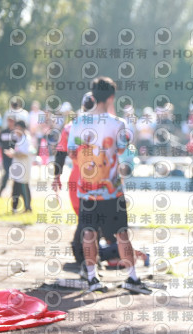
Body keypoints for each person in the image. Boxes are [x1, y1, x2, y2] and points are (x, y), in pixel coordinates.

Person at [67, 76, 150, 293]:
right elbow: (122, 151)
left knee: (88, 233)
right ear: (111, 97)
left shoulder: (77, 123)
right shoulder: (117, 123)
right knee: (121, 234)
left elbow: (72, 153)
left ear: (93, 96)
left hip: (87, 190)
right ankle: (132, 277)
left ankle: (92, 278)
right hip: (112, 191)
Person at [4, 120, 33, 212]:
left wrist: (13, 153)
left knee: (23, 188)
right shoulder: (19, 138)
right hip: (18, 168)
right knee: (15, 189)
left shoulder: (26, 139)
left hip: (23, 169)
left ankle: (27, 207)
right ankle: (15, 208)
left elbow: (24, 153)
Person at [0, 115, 18, 197]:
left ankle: (15, 193)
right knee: (6, 174)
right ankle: (0, 191)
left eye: (12, 121)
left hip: (15, 157)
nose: (10, 123)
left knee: (16, 176)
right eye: (9, 121)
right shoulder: (3, 132)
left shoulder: (17, 133)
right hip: (5, 157)